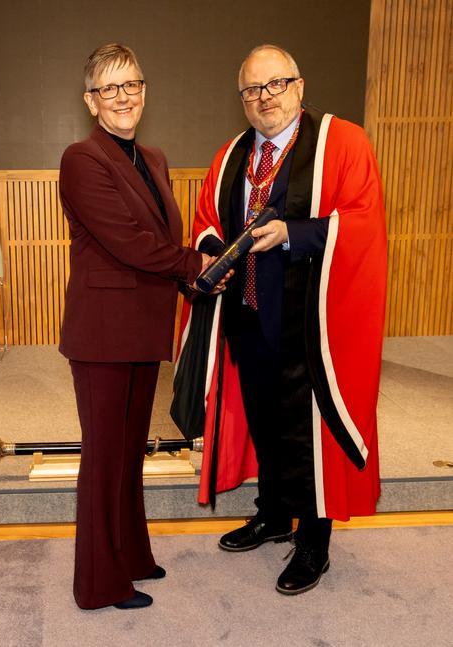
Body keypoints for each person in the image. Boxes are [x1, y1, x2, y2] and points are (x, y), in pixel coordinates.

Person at [172, 44, 387, 595]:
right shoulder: (230, 156)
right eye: (251, 89)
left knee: (306, 433)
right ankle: (273, 515)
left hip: (310, 322)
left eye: (275, 85)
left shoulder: (344, 143)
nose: (264, 98)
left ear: (299, 84)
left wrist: (294, 233)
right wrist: (214, 251)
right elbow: (206, 223)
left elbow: (362, 224)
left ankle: (314, 542)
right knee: (264, 418)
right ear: (241, 98)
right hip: (246, 314)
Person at [59, 43, 213, 610]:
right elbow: (129, 241)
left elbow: (162, 240)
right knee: (104, 457)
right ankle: (97, 584)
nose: (122, 97)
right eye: (109, 88)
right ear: (91, 101)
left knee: (129, 453)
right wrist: (194, 266)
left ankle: (130, 557)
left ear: (144, 92)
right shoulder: (81, 158)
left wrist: (195, 264)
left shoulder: (154, 157)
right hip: (102, 333)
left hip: (145, 329)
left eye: (131, 85)